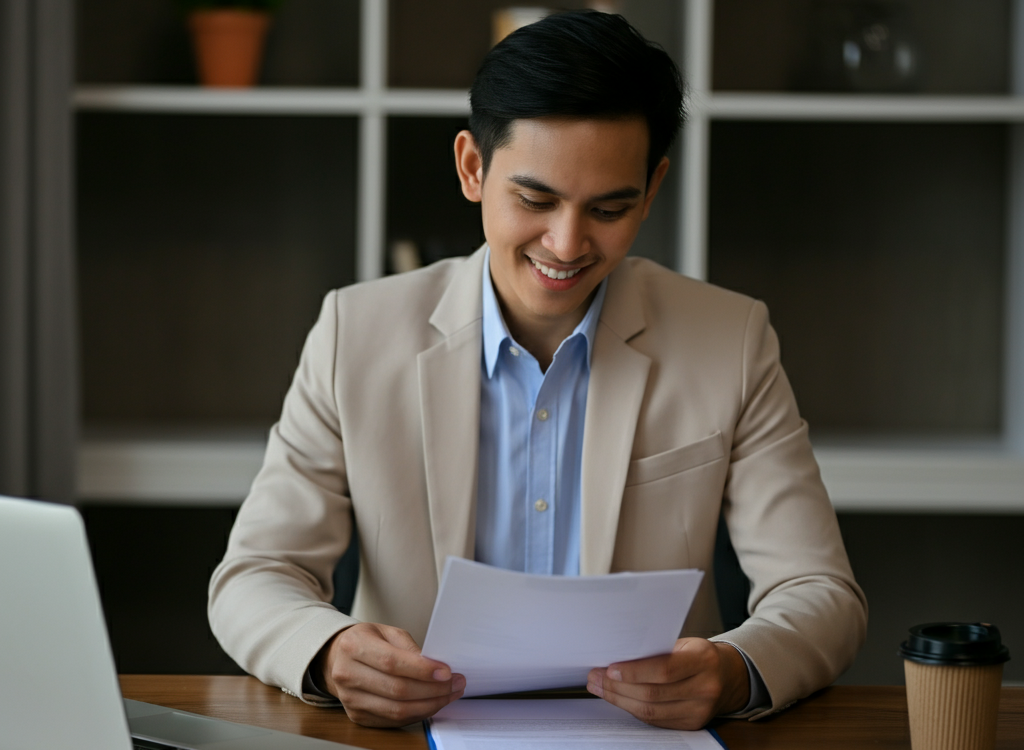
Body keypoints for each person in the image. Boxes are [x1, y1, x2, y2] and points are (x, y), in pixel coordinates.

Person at [209, 10, 867, 731]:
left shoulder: (730, 338)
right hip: (415, 737)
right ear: (472, 168)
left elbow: (821, 592)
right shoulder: (355, 333)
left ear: (651, 190)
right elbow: (254, 577)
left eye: (609, 208)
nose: (567, 242)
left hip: (645, 740)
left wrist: (735, 672)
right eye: (535, 199)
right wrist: (331, 650)